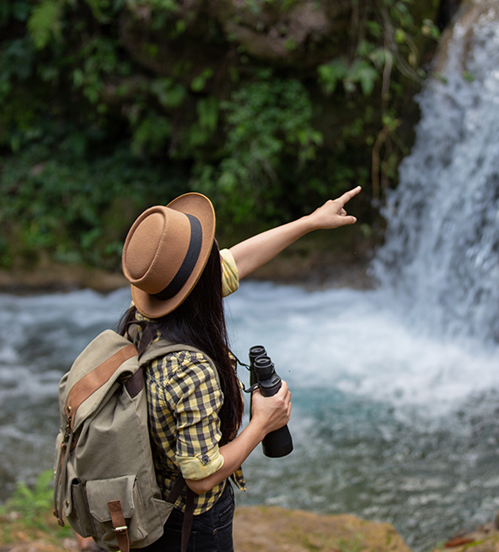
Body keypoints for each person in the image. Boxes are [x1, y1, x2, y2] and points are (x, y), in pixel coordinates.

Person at [114, 186, 361, 552]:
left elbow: (236, 261)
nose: (218, 257)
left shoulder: (143, 320)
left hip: (152, 503)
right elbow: (200, 476)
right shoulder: (191, 369)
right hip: (192, 526)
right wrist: (264, 421)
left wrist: (309, 222)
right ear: (202, 287)